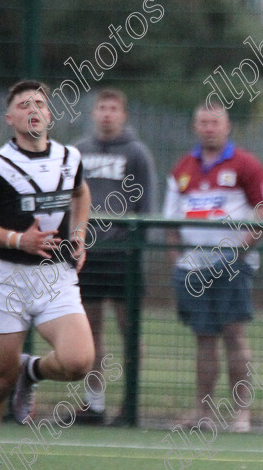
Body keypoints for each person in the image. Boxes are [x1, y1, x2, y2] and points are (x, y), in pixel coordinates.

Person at [0, 80, 94, 470]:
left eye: (40, 103)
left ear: (50, 115)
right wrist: (19, 239)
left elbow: (80, 194)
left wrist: (80, 235)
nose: (33, 108)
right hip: (9, 278)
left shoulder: (70, 157)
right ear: (9, 118)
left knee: (79, 362)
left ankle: (32, 370)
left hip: (55, 275)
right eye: (23, 104)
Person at [164, 104, 263, 434]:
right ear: (195, 126)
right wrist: (177, 261)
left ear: (227, 126)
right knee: (204, 338)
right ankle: (203, 413)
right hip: (193, 268)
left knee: (234, 336)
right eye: (203, 122)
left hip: (232, 266)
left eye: (215, 122)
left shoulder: (246, 164)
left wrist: (241, 250)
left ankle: (241, 413)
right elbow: (169, 221)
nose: (209, 128)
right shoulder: (183, 167)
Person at [70, 88, 157, 425]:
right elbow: (69, 200)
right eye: (101, 108)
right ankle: (94, 404)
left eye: (113, 108)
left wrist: (138, 247)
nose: (107, 114)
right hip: (88, 253)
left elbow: (147, 205)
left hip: (123, 255)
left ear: (123, 115)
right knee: (89, 330)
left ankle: (130, 403)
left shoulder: (136, 153)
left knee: (129, 328)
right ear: (93, 113)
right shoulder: (78, 151)